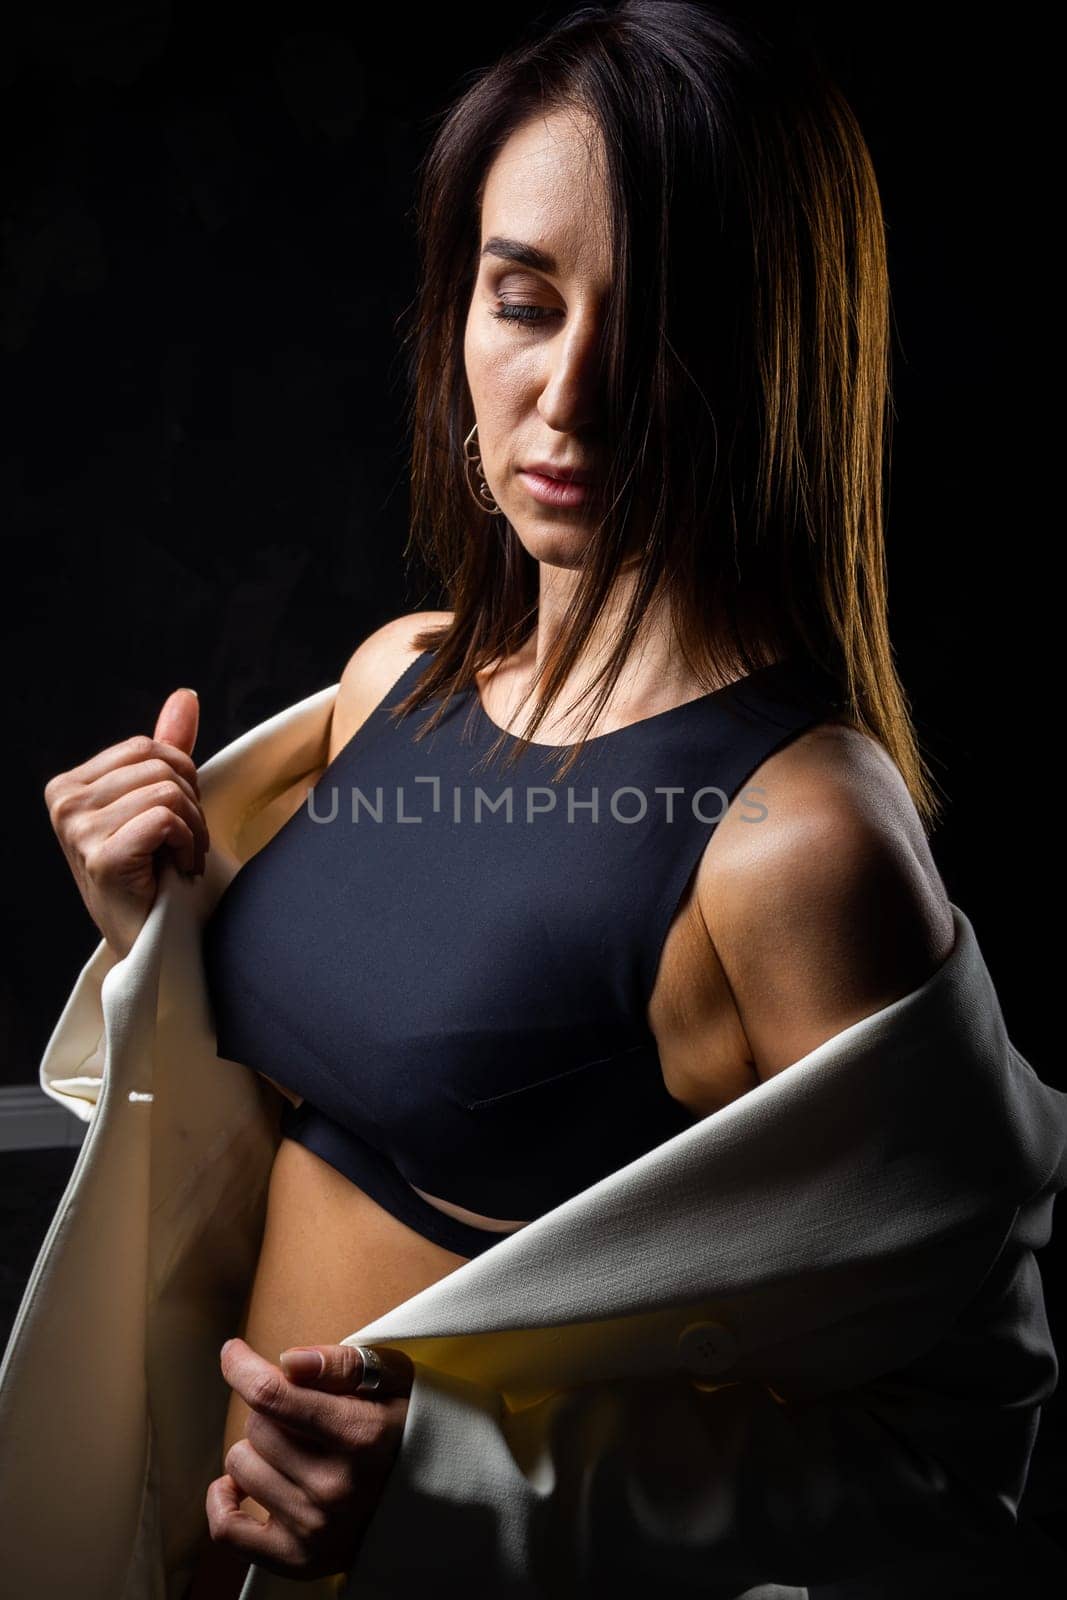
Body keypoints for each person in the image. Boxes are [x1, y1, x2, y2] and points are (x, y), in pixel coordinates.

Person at [22, 5, 1063, 1597]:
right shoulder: (401, 679)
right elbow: (246, 1116)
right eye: (523, 300)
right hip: (202, 1549)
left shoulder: (803, 848)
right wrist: (150, 930)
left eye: (659, 325)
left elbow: (948, 1472)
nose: (568, 396)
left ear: (771, 353)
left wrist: (450, 1491)